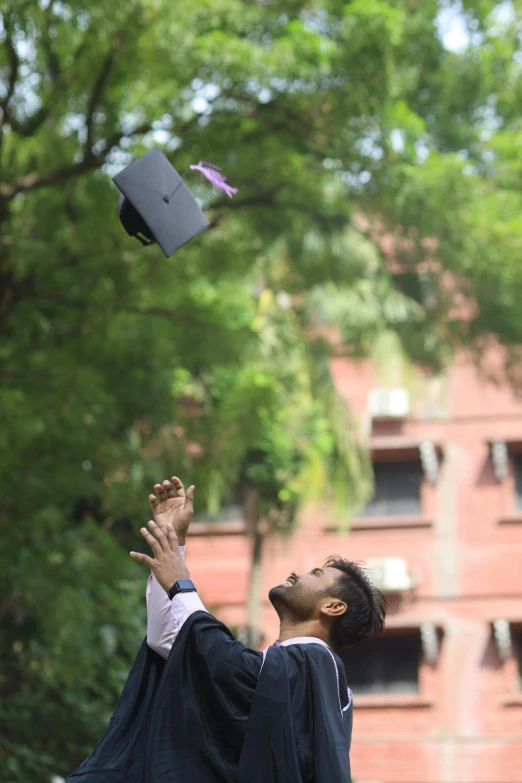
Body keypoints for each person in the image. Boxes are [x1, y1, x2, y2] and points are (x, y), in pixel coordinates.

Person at [67, 477, 386, 783]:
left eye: (316, 574)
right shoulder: (285, 671)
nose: (296, 573)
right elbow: (168, 642)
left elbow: (229, 667)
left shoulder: (319, 665)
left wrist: (181, 585)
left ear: (332, 607)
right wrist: (173, 543)